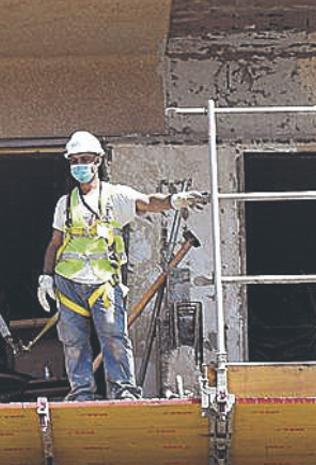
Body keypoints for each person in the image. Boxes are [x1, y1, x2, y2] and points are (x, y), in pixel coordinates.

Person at [36, 130, 207, 401]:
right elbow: (55, 243)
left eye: (86, 159)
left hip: (103, 283)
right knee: (73, 344)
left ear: (98, 161)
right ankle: (81, 393)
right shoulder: (65, 204)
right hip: (68, 284)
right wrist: (46, 277)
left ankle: (124, 391)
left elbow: (148, 202)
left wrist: (175, 200)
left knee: (114, 339)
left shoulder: (115, 197)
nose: (80, 165)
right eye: (74, 160)